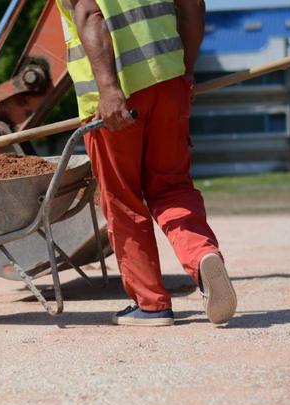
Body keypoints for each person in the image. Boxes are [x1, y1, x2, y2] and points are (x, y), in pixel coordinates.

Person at [55, 0, 236, 326]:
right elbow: (193, 5)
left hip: (114, 102)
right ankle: (202, 255)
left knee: (122, 200)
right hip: (170, 83)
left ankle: (151, 304)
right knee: (173, 187)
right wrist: (188, 70)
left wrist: (109, 90)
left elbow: (88, 13)